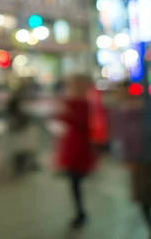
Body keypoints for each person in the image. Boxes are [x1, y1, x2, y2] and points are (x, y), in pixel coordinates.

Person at [54, 74, 97, 230]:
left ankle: (80, 213)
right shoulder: (75, 102)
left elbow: (80, 122)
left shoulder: (83, 104)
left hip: (80, 146)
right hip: (74, 144)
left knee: (76, 182)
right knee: (75, 183)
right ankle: (80, 212)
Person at [109, 82, 151, 233]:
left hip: (142, 156)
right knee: (143, 198)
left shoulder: (138, 109)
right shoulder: (121, 110)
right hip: (137, 158)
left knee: (144, 196)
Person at [6, 80, 38, 177]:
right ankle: (21, 167)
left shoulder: (17, 100)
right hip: (19, 127)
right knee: (21, 148)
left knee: (24, 147)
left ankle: (24, 166)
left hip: (20, 127)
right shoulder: (16, 101)